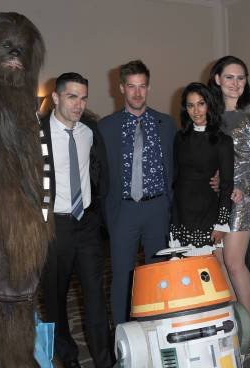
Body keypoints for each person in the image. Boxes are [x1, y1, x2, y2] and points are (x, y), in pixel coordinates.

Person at [40, 73, 114, 368]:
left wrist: (98, 214)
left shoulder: (90, 131)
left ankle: (104, 359)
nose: (78, 104)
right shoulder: (36, 134)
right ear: (55, 98)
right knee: (54, 295)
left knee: (96, 293)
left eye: (83, 97)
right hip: (53, 225)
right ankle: (67, 355)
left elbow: (100, 173)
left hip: (86, 224)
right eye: (72, 97)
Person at [98, 60, 176, 325]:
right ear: (121, 88)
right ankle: (122, 334)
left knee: (158, 276)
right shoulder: (106, 127)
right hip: (123, 210)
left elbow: (179, 165)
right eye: (131, 87)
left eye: (142, 86)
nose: (137, 93)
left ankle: (158, 330)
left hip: (158, 209)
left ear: (148, 87)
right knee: (122, 277)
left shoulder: (165, 123)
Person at [208, 56, 250, 327]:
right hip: (215, 197)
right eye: (229, 77)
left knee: (234, 260)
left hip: (244, 195)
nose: (236, 83)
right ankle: (232, 315)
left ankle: (248, 321)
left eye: (241, 77)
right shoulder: (209, 113)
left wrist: (243, 186)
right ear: (217, 79)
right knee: (217, 260)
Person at [170, 82, 234, 257]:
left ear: (209, 105)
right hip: (181, 211)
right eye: (191, 105)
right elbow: (176, 177)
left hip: (206, 212)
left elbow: (227, 184)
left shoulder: (222, 141)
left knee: (205, 272)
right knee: (182, 271)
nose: (196, 111)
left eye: (201, 104)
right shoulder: (180, 138)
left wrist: (221, 223)